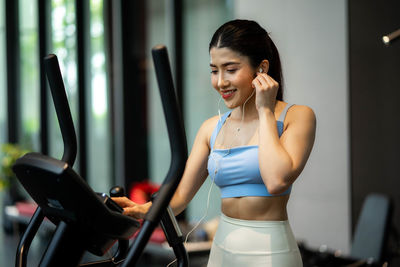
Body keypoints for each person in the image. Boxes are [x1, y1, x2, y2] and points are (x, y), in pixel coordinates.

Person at [113, 19, 316, 267]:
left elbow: (275, 181)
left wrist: (265, 111)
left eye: (230, 69)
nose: (220, 82)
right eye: (214, 70)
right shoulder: (211, 128)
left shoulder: (297, 116)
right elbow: (179, 199)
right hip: (222, 250)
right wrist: (141, 209)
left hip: (270, 252)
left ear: (261, 69)